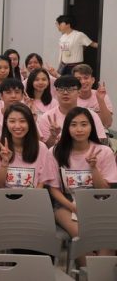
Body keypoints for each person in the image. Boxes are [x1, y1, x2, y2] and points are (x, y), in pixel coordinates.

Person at [48, 107, 117, 265]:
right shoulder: (56, 152)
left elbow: (105, 191)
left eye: (84, 124)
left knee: (108, 238)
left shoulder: (103, 151)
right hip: (65, 203)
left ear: (91, 127)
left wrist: (94, 168)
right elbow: (54, 189)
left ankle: (99, 274)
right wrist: (73, 207)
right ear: (67, 128)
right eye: (74, 125)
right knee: (82, 237)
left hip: (98, 202)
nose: (79, 129)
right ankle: (87, 274)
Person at [0, 103, 55, 189]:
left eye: (22, 121)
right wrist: (4, 163)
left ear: (30, 123)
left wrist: (30, 200)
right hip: (6, 199)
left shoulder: (41, 148)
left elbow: (41, 182)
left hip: (32, 198)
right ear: (6, 123)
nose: (17, 126)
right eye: (12, 121)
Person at [38, 75, 107, 148]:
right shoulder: (47, 117)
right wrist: (53, 136)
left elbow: (100, 142)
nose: (65, 93)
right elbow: (46, 149)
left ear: (79, 92)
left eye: (70, 89)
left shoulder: (91, 115)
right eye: (61, 89)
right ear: (56, 92)